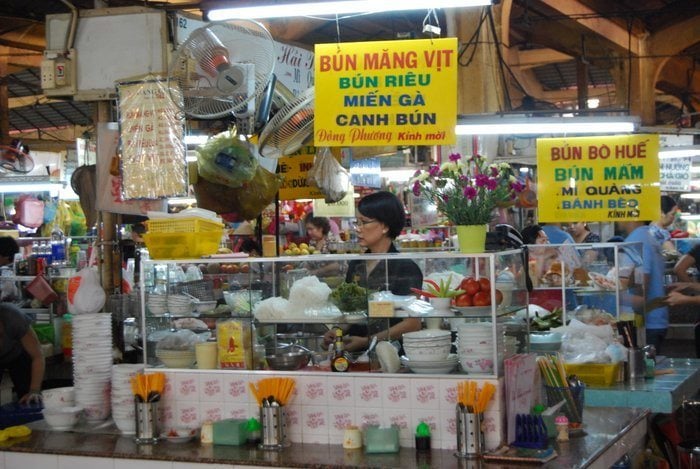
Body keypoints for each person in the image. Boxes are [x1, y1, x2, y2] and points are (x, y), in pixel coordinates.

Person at [323, 191, 423, 352]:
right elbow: (352, 312)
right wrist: (337, 330)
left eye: (363, 222)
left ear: (384, 226)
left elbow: (412, 323)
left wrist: (368, 341)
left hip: (390, 355)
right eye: (357, 222)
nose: (358, 229)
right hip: (354, 354)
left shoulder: (405, 267)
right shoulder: (356, 264)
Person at [618, 220, 668, 353]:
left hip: (646, 324)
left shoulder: (637, 239)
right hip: (656, 319)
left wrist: (613, 297)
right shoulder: (649, 236)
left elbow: (641, 290)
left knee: (642, 370)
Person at [0, 303, 44, 404]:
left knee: (30, 398)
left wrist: (34, 390)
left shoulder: (14, 317)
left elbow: (37, 356)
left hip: (18, 356)